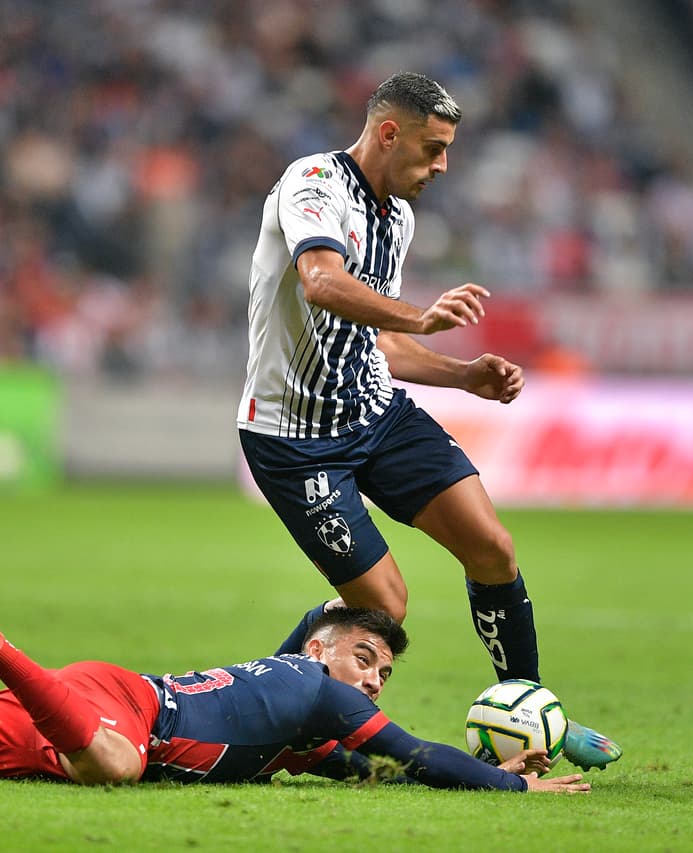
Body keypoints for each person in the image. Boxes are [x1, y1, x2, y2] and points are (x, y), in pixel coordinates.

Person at [234, 70, 620, 771]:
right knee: (384, 604)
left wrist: (463, 373)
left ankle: (529, 711)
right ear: (389, 133)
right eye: (433, 148)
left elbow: (378, 338)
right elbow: (322, 283)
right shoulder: (312, 183)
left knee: (492, 546)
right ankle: (260, 721)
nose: (443, 165)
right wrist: (422, 314)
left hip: (377, 413)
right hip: (295, 439)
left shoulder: (399, 219)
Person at [0, 483, 590, 793]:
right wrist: (515, 785)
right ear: (317, 649)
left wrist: (496, 756)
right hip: (120, 714)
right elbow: (414, 753)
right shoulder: (308, 684)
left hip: (79, 709)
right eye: (365, 658)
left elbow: (378, 771)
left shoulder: (298, 720)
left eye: (383, 674)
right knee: (116, 765)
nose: (371, 680)